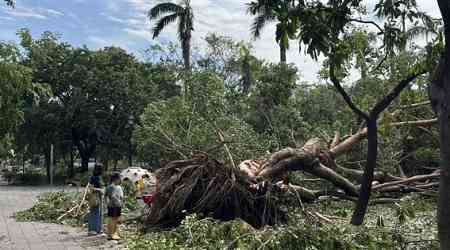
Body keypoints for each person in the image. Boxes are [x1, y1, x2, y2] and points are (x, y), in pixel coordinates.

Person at [105, 172, 124, 240]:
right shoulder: (115, 187)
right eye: (119, 179)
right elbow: (113, 196)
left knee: (111, 219)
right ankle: (113, 234)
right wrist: (118, 202)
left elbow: (106, 196)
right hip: (115, 205)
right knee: (114, 220)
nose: (120, 180)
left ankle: (110, 234)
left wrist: (107, 203)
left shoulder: (109, 186)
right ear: (116, 179)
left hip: (110, 205)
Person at [87, 163, 104, 235]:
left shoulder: (99, 177)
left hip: (99, 197)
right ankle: (92, 230)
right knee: (94, 212)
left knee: (99, 213)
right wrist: (99, 190)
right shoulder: (93, 177)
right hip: (95, 196)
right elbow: (90, 188)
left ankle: (98, 229)